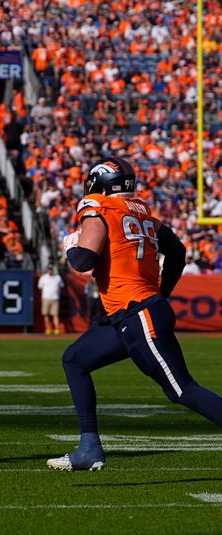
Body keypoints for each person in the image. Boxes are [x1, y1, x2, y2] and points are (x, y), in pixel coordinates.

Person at [47, 157, 222, 471]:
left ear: (98, 183)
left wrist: (71, 245)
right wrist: (161, 295)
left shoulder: (98, 210)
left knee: (181, 389)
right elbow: (178, 252)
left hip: (139, 313)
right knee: (75, 359)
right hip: (129, 315)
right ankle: (89, 448)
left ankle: (90, 448)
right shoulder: (142, 214)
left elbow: (82, 261)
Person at [38, 265, 63, 334]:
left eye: (51, 269)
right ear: (47, 270)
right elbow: (40, 287)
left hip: (55, 298)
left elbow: (61, 286)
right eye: (49, 269)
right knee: (46, 314)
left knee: (55, 314)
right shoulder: (43, 278)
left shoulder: (58, 277)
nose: (50, 271)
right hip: (46, 298)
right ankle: (48, 329)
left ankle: (57, 329)